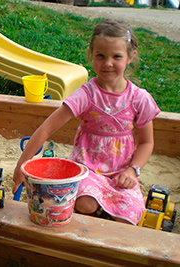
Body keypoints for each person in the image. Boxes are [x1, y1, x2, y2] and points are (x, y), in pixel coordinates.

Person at [12, 19, 160, 225]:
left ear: (130, 57)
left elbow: (146, 143)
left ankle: (105, 217)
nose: (107, 63)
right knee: (85, 203)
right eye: (100, 55)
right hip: (86, 170)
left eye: (116, 56)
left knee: (131, 215)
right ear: (91, 55)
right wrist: (21, 167)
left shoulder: (139, 98)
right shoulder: (87, 95)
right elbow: (46, 129)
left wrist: (132, 170)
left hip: (120, 175)